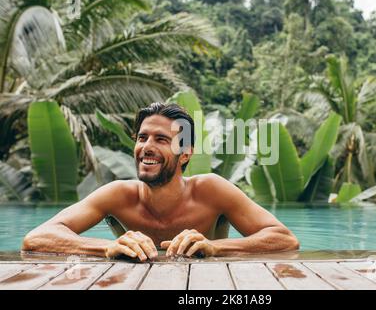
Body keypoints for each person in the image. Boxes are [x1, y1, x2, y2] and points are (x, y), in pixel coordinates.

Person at [22, 103, 299, 261]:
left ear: (185, 153)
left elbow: (284, 239)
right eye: (142, 138)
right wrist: (105, 247)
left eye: (162, 140)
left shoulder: (212, 190)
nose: (147, 147)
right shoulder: (118, 196)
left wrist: (217, 247)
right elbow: (36, 239)